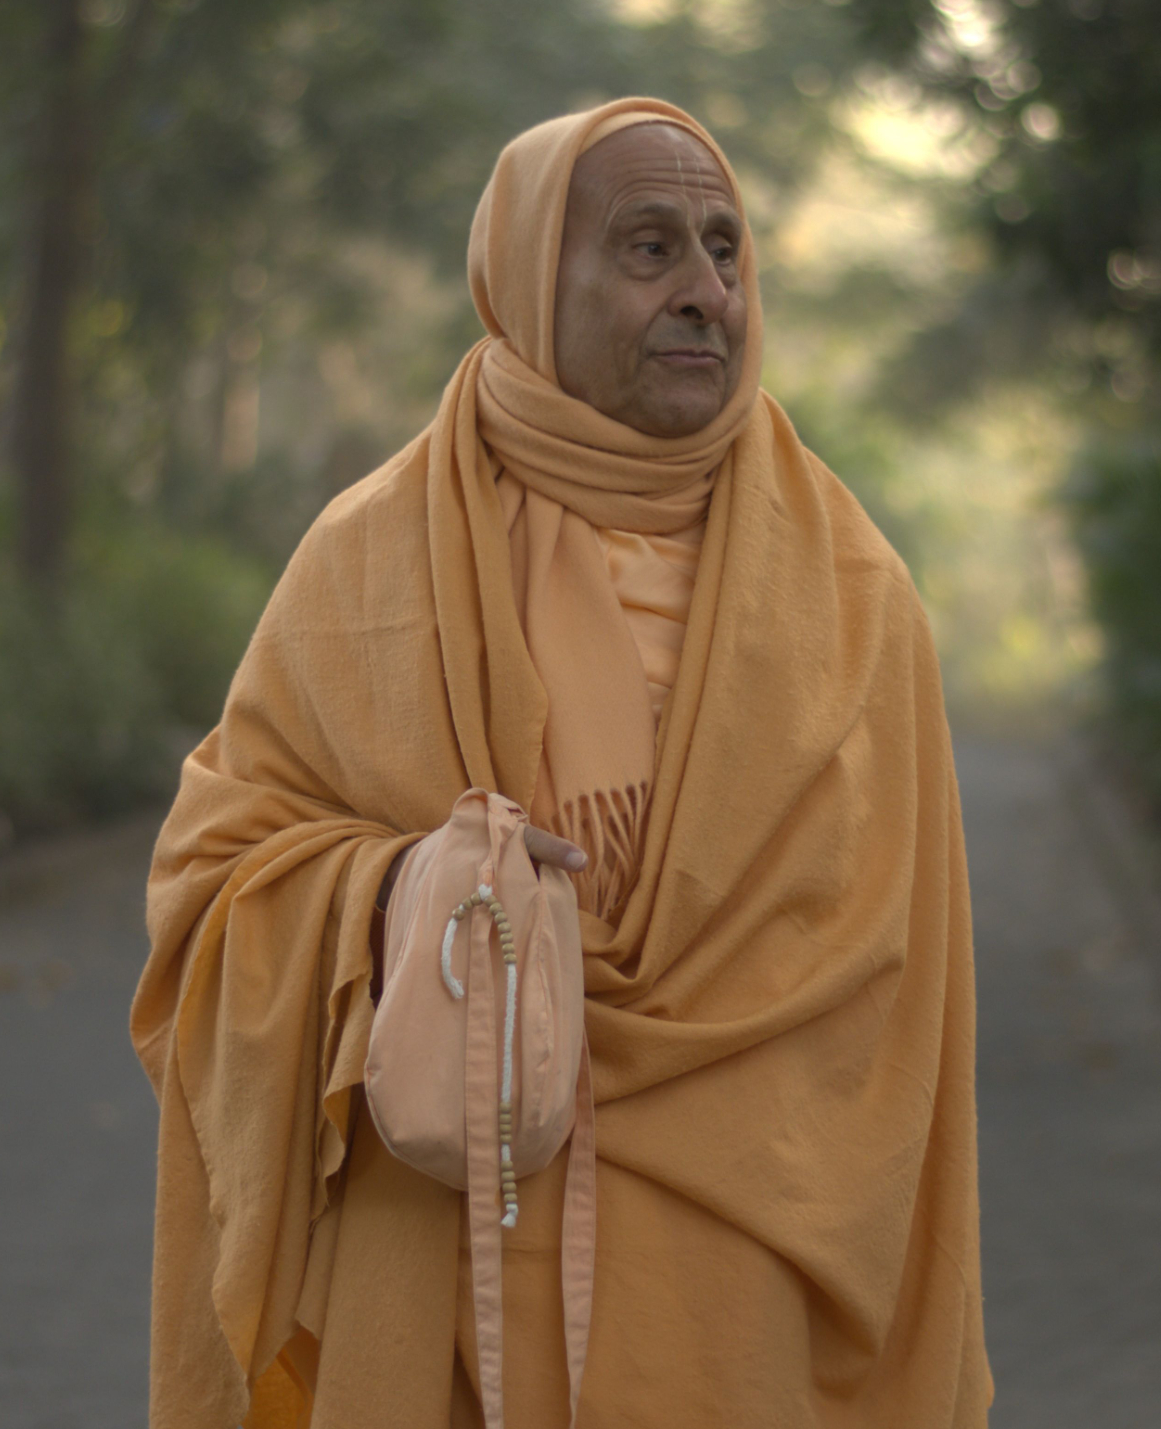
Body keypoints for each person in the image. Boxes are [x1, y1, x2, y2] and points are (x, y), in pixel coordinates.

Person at [134, 99, 987, 1428]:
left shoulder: (855, 595)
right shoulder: (371, 558)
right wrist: (399, 890)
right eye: (648, 250)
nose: (707, 291)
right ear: (531, 281)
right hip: (447, 1242)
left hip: (739, 1263)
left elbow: (903, 980)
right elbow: (212, 878)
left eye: (725, 251)